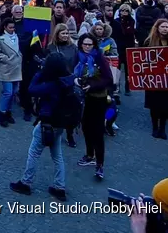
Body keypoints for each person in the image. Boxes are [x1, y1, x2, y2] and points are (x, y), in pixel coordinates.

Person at [9, 53, 74, 202]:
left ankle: (25, 182)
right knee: (57, 156)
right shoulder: (67, 80)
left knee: (34, 152)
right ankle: (60, 187)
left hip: (47, 122)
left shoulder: (52, 85)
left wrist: (39, 72)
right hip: (60, 123)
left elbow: (31, 89)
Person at [75, 33, 113, 181]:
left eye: (90, 44)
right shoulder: (78, 57)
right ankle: (89, 154)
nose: (87, 47)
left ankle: (100, 164)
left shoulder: (99, 58)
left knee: (97, 131)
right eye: (84, 44)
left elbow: (108, 79)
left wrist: (92, 85)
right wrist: (77, 81)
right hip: (83, 98)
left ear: (94, 45)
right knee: (85, 127)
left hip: (98, 98)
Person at [46, 23, 79, 147]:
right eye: (63, 33)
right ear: (57, 34)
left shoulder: (73, 47)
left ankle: (70, 134)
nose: (65, 36)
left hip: (69, 82)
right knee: (55, 108)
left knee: (69, 110)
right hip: (55, 82)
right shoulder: (51, 47)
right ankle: (54, 133)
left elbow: (77, 63)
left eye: (67, 33)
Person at [145, 19, 168, 140]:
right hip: (153, 78)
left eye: (166, 27)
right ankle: (154, 127)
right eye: (162, 26)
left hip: (167, 78)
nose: (165, 29)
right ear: (157, 28)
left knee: (165, 104)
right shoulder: (149, 42)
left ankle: (162, 129)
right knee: (154, 104)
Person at [0, 19, 22, 128]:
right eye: (10, 27)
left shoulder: (16, 37)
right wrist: (7, 59)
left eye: (13, 27)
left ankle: (8, 112)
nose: (12, 29)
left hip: (16, 68)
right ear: (5, 27)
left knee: (14, 92)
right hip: (6, 69)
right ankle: (2, 114)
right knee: (8, 93)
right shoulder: (0, 39)